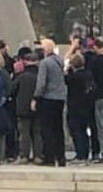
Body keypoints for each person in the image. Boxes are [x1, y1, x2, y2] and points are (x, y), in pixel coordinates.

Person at [32, 38, 66, 167]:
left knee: (47, 129)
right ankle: (61, 157)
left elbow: (41, 83)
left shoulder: (45, 63)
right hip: (60, 97)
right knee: (58, 129)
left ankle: (49, 157)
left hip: (48, 97)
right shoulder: (60, 61)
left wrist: (36, 97)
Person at [11, 48, 43, 164]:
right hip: (38, 106)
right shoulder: (41, 75)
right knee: (37, 132)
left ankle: (24, 155)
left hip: (22, 107)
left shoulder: (21, 76)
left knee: (24, 133)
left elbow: (12, 89)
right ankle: (38, 156)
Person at [65, 52, 96, 163]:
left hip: (74, 106)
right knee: (83, 131)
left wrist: (68, 69)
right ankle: (85, 153)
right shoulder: (88, 74)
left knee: (75, 130)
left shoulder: (73, 77)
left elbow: (66, 80)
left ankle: (80, 154)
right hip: (87, 106)